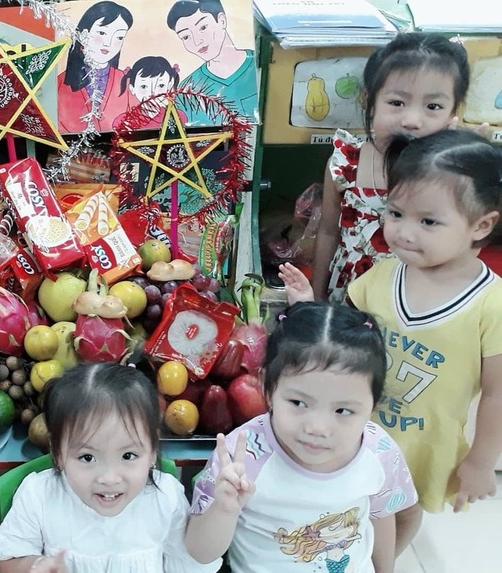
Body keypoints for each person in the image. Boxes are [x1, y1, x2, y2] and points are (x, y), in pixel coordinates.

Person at [280, 129, 502, 556]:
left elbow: (497, 393)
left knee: (404, 509)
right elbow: (342, 338)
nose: (403, 232)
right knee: (349, 504)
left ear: (481, 225)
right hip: (358, 429)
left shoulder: (491, 305)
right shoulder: (380, 277)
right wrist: (308, 307)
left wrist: (480, 461)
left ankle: (384, 563)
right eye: (396, 213)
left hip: (422, 444)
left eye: (428, 221)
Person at [184, 302, 418, 572]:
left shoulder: (379, 451)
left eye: (343, 410)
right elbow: (200, 552)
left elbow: (381, 516)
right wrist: (224, 510)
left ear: (373, 404)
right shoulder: (241, 457)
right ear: (267, 388)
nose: (318, 427)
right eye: (298, 403)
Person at [0, 362, 219, 573]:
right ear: (58, 452)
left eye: (128, 455)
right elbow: (11, 557)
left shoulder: (165, 496)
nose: (109, 478)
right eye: (87, 458)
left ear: (153, 450)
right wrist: (36, 566)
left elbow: (189, 561)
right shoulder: (39, 495)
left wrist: (224, 508)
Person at [309, 33, 471, 302]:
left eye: (433, 106)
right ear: (370, 101)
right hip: (349, 299)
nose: (412, 120)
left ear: (453, 113)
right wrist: (314, 298)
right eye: (396, 103)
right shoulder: (345, 163)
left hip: (418, 301)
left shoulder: (457, 172)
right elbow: (327, 230)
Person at [166, 0, 257, 125]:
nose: (197, 41)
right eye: (186, 37)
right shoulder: (186, 92)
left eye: (203, 28)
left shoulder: (260, 65)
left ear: (221, 21)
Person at [57, 1, 133, 133]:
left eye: (119, 37)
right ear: (83, 34)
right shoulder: (60, 83)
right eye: (102, 33)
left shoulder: (126, 81)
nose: (108, 43)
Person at [115, 55, 184, 131]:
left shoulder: (178, 117)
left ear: (169, 85)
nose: (152, 93)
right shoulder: (123, 121)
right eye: (143, 86)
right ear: (132, 88)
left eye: (161, 85)